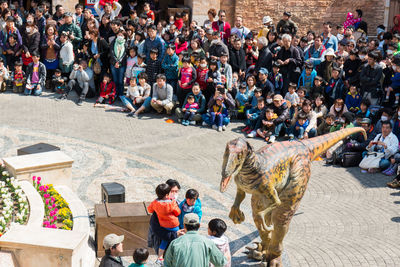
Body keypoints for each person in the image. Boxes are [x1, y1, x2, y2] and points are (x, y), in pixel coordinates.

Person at [147, 183, 181, 265]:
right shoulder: (171, 203)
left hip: (164, 225)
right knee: (178, 238)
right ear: (167, 195)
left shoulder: (155, 203)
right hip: (174, 225)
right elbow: (178, 212)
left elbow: (149, 210)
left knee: (164, 241)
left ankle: (160, 257)